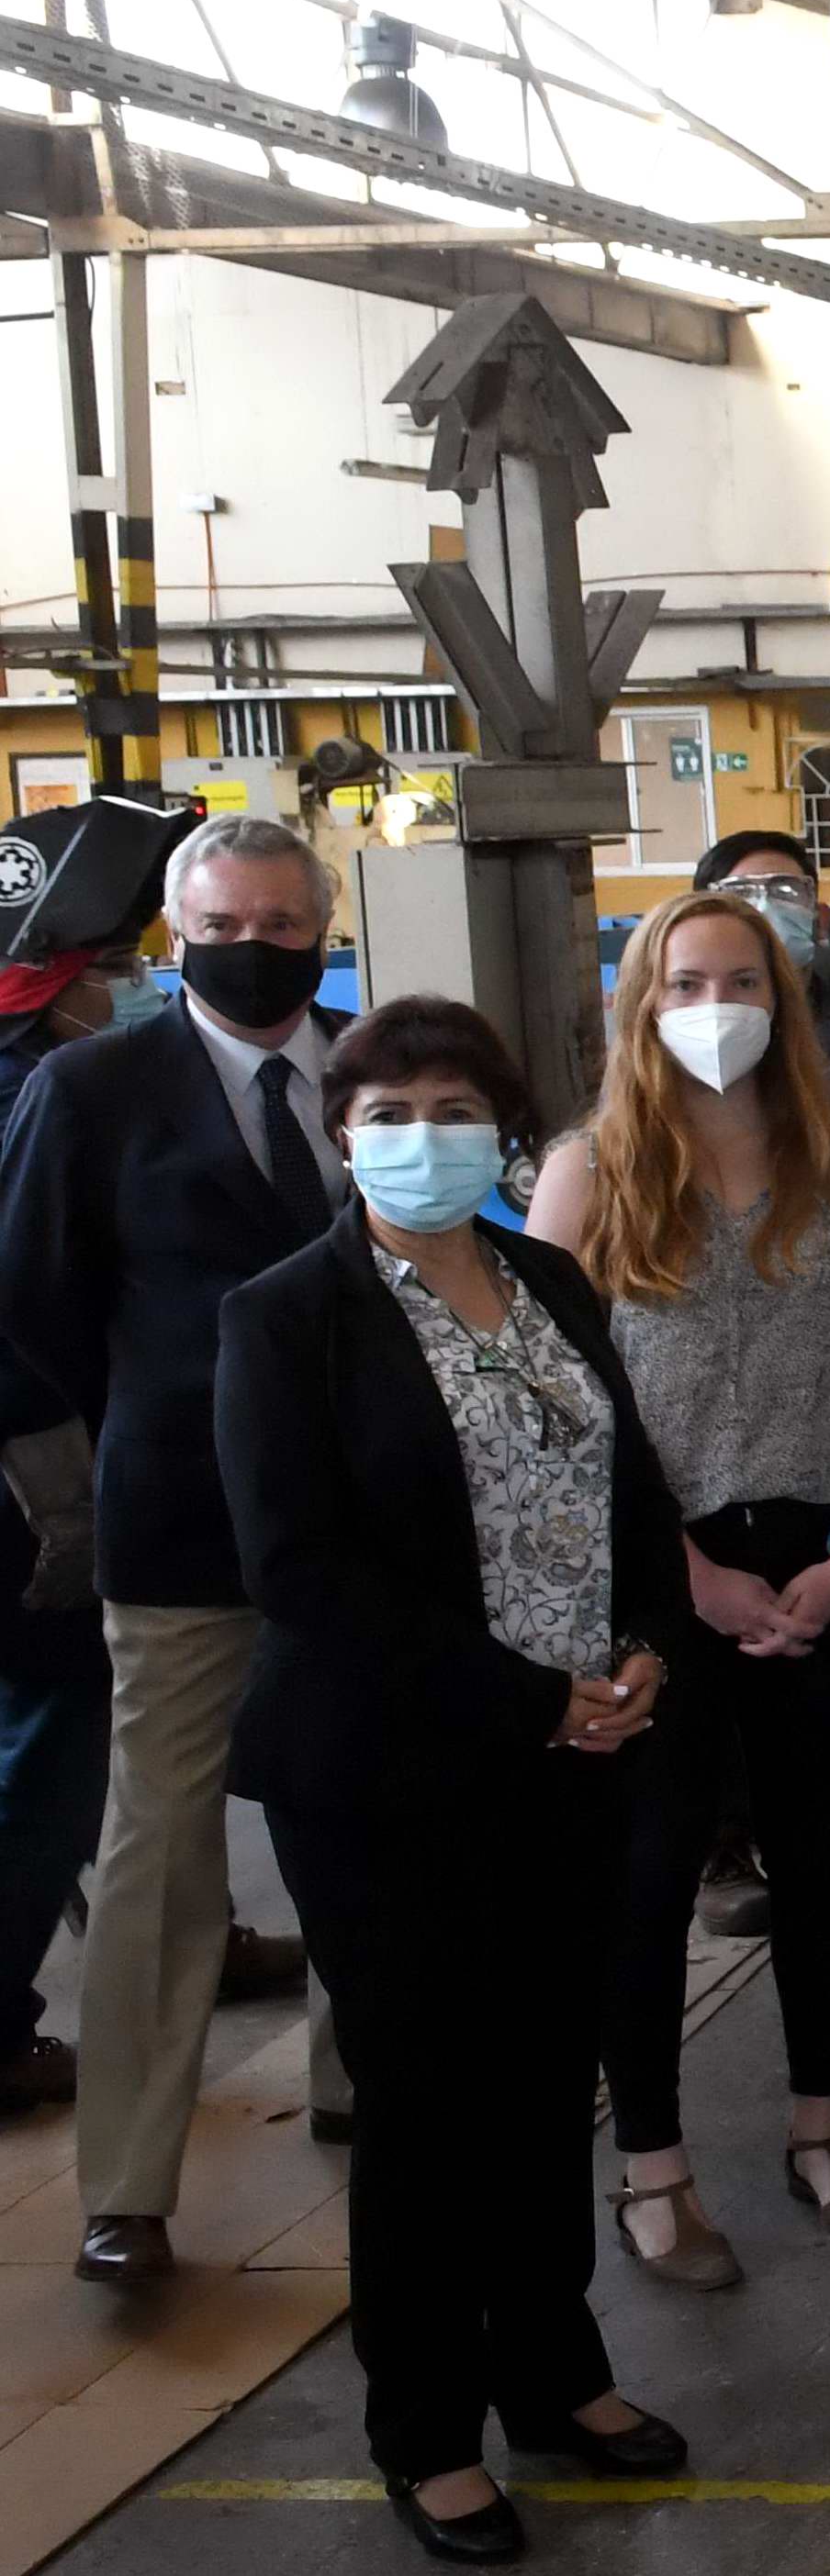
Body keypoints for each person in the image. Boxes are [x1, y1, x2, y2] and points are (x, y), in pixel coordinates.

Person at [217, 999, 695, 2565]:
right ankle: (424, 2428)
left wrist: (644, 1648)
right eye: (390, 1111)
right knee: (428, 2099)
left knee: (548, 2075)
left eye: (454, 1107)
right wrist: (527, 1698)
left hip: (579, 1747)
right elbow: (302, 1567)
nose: (425, 1135)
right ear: (342, 1133)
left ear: (504, 1129)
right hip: (391, 1769)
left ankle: (553, 2370)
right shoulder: (287, 1316)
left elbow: (625, 1486)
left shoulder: (548, 1278)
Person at [528, 890, 830, 2283]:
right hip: (658, 1575)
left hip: (820, 1562)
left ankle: (821, 2129)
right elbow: (562, 1411)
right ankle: (654, 2170)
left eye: (742, 981)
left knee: (826, 1859)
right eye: (685, 982)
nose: (715, 1008)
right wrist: (684, 1574)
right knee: (649, 1874)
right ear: (643, 1003)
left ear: (786, 999)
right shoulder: (591, 1171)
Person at [0, 811, 359, 2282]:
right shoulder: (92, 1088)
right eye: (222, 927)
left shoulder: (379, 1070)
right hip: (177, 1520)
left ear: (323, 930)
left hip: (359, 1520)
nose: (251, 950)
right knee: (159, 1845)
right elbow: (32, 1300)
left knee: (358, 1807)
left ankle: (358, 2079)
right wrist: (146, 1416)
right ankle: (129, 2182)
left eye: (281, 925)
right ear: (173, 934)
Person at [0, 798, 174, 2132]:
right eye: (118, 964)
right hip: (30, 1479)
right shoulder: (37, 1099)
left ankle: (175, 1931)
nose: (138, 983)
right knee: (52, 1744)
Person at [693, 826, 830, 1072]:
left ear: (820, 920)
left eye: (786, 892)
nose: (765, 909)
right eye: (740, 894)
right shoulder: (677, 1034)